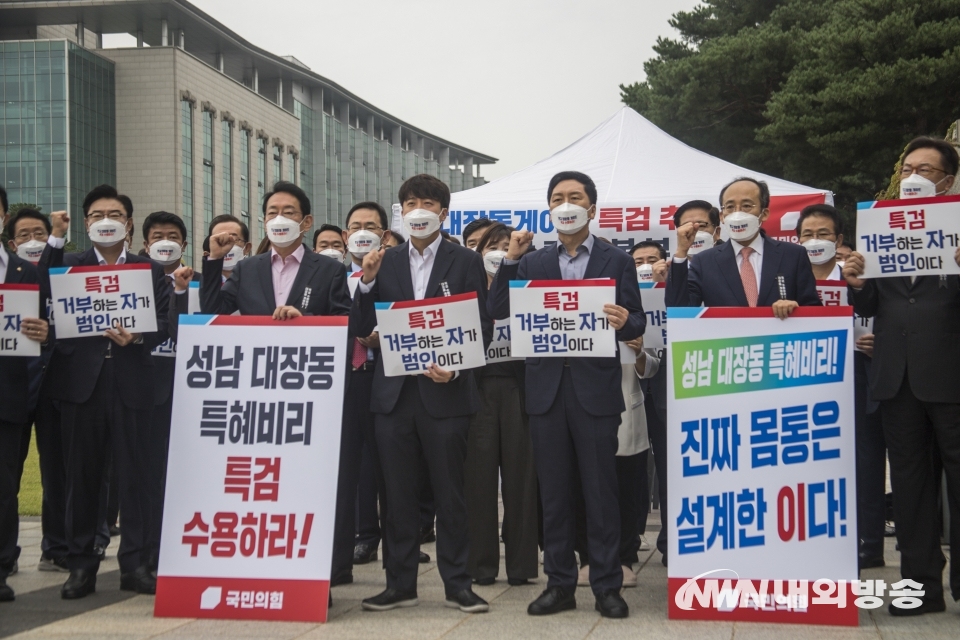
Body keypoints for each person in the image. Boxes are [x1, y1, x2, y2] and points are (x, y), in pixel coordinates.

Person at [489, 170, 646, 619]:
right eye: (558, 197)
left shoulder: (617, 260)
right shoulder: (534, 262)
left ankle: (606, 586)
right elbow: (498, 310)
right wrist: (511, 262)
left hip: (595, 392)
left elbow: (638, 321)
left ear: (592, 207)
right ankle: (559, 584)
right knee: (553, 494)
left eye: (575, 197)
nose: (566, 204)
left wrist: (623, 321)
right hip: (545, 394)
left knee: (601, 492)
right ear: (549, 208)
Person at [351, 174, 492, 613]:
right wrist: (368, 285)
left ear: (443, 212)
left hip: (444, 394)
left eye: (427, 203)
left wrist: (455, 367)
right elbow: (361, 329)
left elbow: (481, 325)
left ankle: (457, 583)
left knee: (450, 494)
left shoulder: (464, 259)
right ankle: (400, 583)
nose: (418, 210)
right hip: (393, 397)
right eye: (410, 202)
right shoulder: (383, 260)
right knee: (396, 496)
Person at [843, 136, 960, 615]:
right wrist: (858, 282)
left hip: (952, 376)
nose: (912, 177)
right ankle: (921, 589)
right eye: (907, 167)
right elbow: (873, 304)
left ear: (948, 180)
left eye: (925, 170)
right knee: (910, 487)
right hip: (896, 378)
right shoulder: (881, 227)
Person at [41, 185, 171, 599]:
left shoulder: (148, 269)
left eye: (114, 213)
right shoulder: (68, 265)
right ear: (86, 222)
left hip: (133, 384)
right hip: (83, 386)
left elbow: (165, 324)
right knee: (83, 480)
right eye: (97, 215)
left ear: (129, 223)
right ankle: (81, 567)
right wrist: (55, 238)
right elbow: (42, 302)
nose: (106, 220)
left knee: (136, 479)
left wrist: (136, 336)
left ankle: (135, 564)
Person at [465, 222, 539, 587]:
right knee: (477, 481)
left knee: (522, 480)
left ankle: (522, 566)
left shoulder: (528, 284)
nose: (496, 251)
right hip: (476, 389)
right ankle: (480, 566)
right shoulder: (466, 287)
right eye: (488, 246)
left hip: (519, 387)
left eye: (505, 245)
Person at [184, 182, 350, 319]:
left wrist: (306, 322)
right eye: (272, 213)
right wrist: (215, 259)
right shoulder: (246, 269)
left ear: (307, 222)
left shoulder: (330, 270)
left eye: (288, 213)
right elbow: (213, 312)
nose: (279, 219)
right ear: (264, 222)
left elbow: (344, 321)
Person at [666, 177, 821, 316]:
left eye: (747, 205)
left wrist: (797, 309)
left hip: (779, 344)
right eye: (730, 207)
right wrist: (681, 253)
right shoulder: (704, 262)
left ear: (764, 213)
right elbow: (679, 310)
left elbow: (815, 310)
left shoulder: (793, 255)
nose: (737, 214)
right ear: (722, 216)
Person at [576, 335, 659, 589]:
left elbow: (653, 366)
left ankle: (625, 558)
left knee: (627, 489)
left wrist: (640, 354)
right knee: (585, 488)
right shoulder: (573, 306)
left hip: (626, 409)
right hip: (584, 405)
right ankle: (588, 558)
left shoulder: (632, 314)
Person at [0, 230, 50, 602]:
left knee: (4, 486)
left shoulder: (24, 270)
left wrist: (42, 332)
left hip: (8, 393)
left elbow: (43, 323)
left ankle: (2, 567)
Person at [139, 211, 190, 571]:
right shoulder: (132, 282)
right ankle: (152, 549)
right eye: (158, 236)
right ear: (145, 244)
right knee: (151, 475)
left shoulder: (202, 282)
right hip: (149, 392)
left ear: (184, 244)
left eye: (172, 235)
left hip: (194, 394)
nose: (165, 241)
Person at [628, 240, 670, 565]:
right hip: (631, 398)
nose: (645, 266)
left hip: (668, 392)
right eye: (638, 261)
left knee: (670, 470)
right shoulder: (622, 300)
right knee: (635, 472)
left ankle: (671, 539)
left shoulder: (677, 291)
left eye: (651, 260)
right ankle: (633, 534)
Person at [204, 215, 252, 285]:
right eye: (220, 240)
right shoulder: (201, 284)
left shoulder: (258, 281)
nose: (227, 246)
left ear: (247, 248)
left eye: (234, 239)